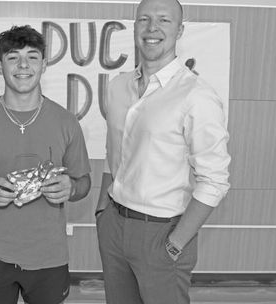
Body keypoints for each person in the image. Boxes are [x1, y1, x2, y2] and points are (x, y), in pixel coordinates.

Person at [95, 0, 231, 303]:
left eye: (164, 21)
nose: (152, 28)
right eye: (144, 19)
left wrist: (175, 243)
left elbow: (215, 180)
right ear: (134, 27)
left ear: (180, 30)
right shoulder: (117, 87)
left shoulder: (197, 96)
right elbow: (113, 154)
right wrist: (101, 212)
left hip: (162, 233)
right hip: (114, 225)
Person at [0, 25, 91, 304]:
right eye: (13, 57)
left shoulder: (66, 122)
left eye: (32, 57)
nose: (23, 65)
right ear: (0, 66)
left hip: (49, 255)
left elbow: (84, 182)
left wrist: (71, 188)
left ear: (44, 64)